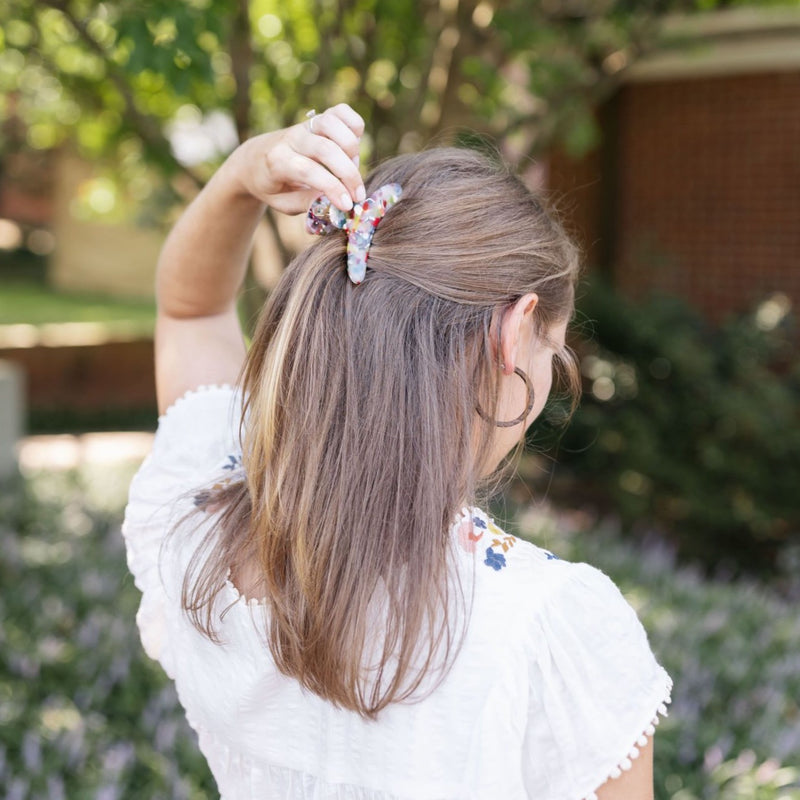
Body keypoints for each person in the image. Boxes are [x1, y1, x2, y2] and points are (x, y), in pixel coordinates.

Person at [122, 103, 672, 800]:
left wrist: (242, 175)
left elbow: (191, 310)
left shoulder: (193, 523)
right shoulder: (553, 626)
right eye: (554, 356)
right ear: (515, 332)